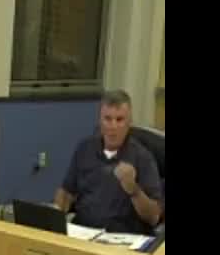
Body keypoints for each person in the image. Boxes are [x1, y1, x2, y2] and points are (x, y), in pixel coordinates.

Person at [54, 90, 162, 235]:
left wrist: (134, 190)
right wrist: (57, 211)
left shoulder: (143, 158)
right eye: (107, 119)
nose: (113, 126)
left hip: (122, 238)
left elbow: (153, 218)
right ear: (100, 121)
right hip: (83, 232)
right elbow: (66, 192)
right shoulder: (85, 148)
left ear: (129, 122)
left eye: (119, 119)